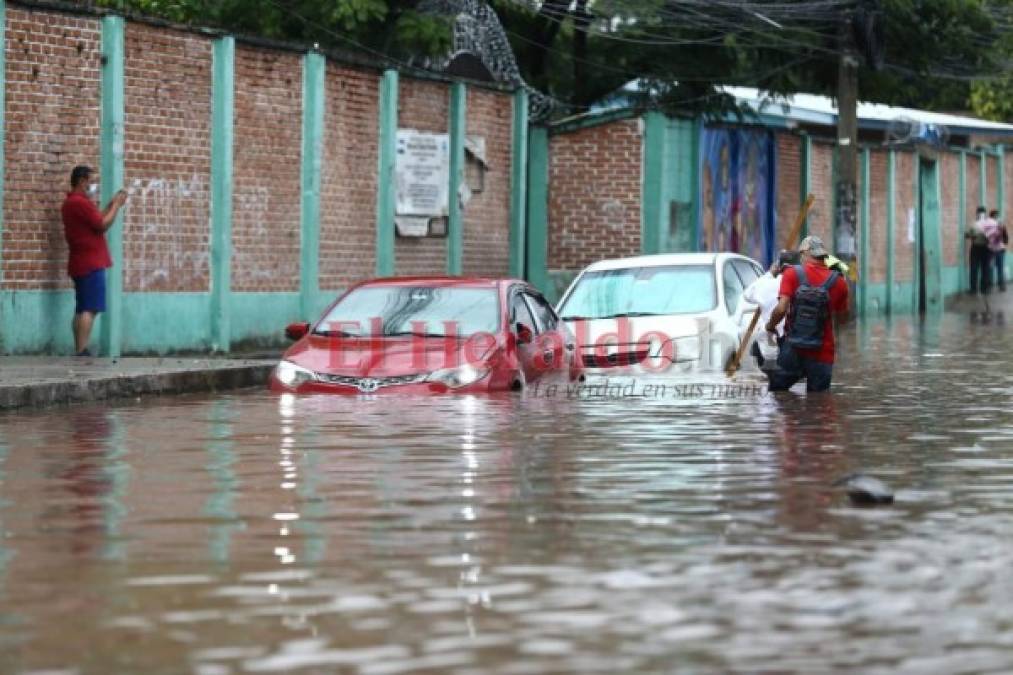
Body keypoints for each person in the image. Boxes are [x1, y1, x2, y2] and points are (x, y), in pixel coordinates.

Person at [764, 235, 849, 393]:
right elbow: (843, 320)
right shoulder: (840, 282)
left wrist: (770, 326)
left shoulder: (792, 274)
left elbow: (781, 308)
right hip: (823, 353)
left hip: (793, 350)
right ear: (823, 255)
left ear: (805, 254)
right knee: (819, 405)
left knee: (778, 395)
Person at [62, 165, 128, 356]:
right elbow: (102, 224)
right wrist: (116, 207)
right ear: (82, 181)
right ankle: (82, 350)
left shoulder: (72, 203)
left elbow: (96, 218)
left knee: (81, 308)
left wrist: (111, 204)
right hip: (90, 262)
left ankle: (79, 349)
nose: (93, 186)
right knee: (90, 308)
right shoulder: (79, 203)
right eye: (91, 182)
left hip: (80, 262)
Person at [743, 249, 799, 371]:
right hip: (792, 345)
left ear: (779, 267)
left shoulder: (765, 284)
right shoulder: (801, 284)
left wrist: (769, 274)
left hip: (766, 347)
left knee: (769, 384)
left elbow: (747, 295)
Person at [966, 206, 993, 295]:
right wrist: (972, 235)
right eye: (979, 213)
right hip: (976, 248)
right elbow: (967, 235)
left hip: (986, 248)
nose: (980, 215)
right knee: (974, 269)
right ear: (977, 214)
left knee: (985, 269)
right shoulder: (974, 224)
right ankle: (974, 289)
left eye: (981, 213)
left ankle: (984, 288)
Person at [989, 209, 1007, 292]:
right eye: (995, 216)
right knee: (992, 267)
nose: (996, 217)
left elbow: (1006, 237)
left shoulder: (1001, 226)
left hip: (997, 250)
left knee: (998, 267)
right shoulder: (990, 226)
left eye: (997, 216)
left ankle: (999, 284)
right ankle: (991, 283)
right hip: (993, 249)